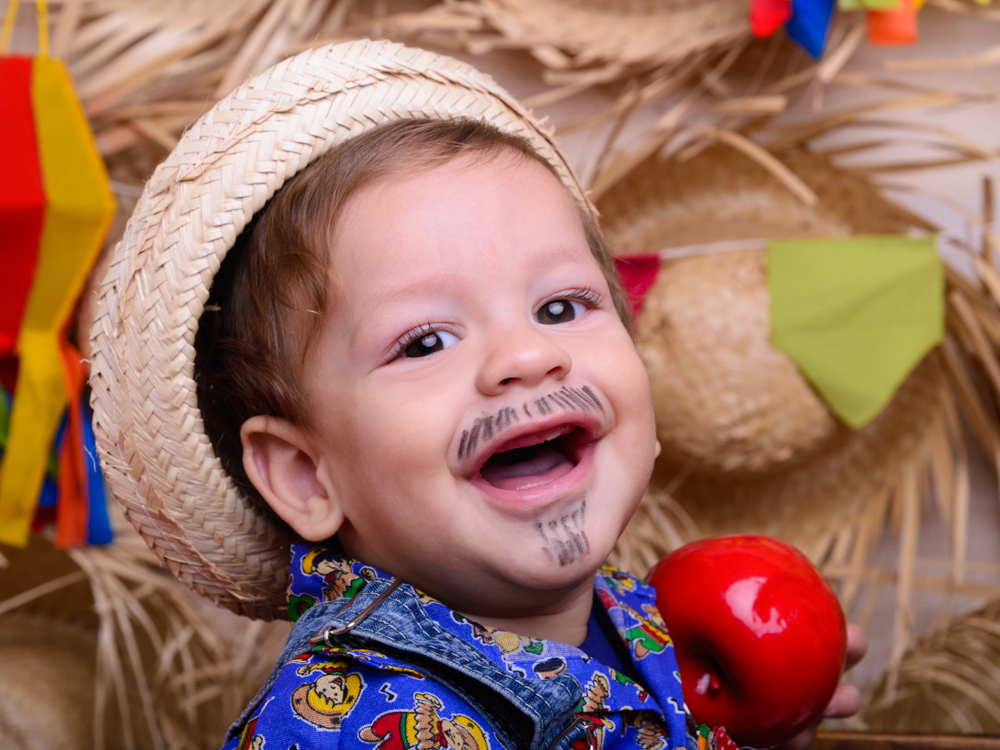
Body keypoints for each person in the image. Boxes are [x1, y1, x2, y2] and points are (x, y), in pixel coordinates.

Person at [89, 40, 865, 750]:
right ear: (305, 476)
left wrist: (763, 727)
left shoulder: (646, 625)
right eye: (426, 341)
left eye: (560, 307)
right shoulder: (347, 727)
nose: (528, 354)